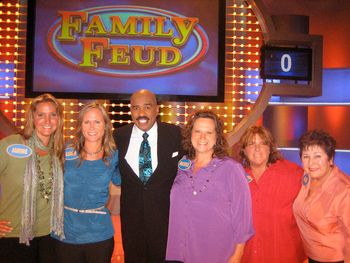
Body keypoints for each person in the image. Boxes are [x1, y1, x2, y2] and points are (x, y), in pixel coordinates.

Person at [166, 110, 254, 263]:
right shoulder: (182, 165)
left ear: (217, 137)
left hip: (216, 253)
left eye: (209, 132)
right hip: (180, 252)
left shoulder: (231, 169)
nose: (202, 137)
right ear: (190, 134)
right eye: (198, 131)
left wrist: (237, 255)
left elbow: (243, 217)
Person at [113, 89, 183, 263]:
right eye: (136, 108)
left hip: (167, 221)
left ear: (157, 110)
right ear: (130, 110)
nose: (141, 113)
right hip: (132, 223)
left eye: (147, 107)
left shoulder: (176, 135)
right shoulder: (118, 137)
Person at [0, 93, 65, 263]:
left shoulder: (59, 153)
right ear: (32, 118)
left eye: (53, 115)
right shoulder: (11, 145)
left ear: (59, 119)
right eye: (41, 115)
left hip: (50, 236)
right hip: (14, 235)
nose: (47, 120)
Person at [53, 102, 121, 263]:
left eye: (97, 121)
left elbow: (124, 180)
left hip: (99, 235)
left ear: (105, 125)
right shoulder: (65, 149)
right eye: (87, 122)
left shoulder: (113, 155)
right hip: (66, 233)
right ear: (80, 126)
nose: (92, 127)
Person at [239, 126, 306, 263]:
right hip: (248, 257)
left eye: (263, 143)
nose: (257, 148)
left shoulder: (293, 174)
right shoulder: (236, 176)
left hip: (284, 256)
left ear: (270, 148)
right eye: (252, 144)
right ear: (244, 150)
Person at [293, 130, 350, 263]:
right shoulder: (306, 178)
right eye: (306, 156)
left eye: (317, 156)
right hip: (309, 257)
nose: (311, 163)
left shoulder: (344, 191)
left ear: (330, 159)